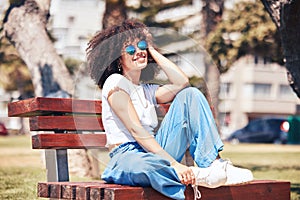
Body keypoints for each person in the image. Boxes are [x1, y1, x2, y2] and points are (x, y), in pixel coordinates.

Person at [86, 19, 253, 200]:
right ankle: (197, 176)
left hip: (155, 151)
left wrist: (151, 51)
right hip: (129, 155)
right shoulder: (115, 82)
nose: (138, 52)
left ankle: (215, 165)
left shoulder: (146, 90)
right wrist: (174, 164)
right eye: (131, 49)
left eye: (141, 45)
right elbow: (136, 130)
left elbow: (182, 83)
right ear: (118, 57)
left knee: (191, 94)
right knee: (147, 166)